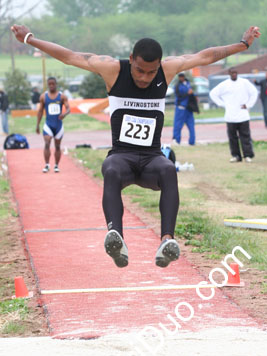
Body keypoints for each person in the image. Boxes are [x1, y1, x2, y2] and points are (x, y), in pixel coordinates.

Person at [11, 24, 260, 268]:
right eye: (139, 70)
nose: (144, 78)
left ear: (159, 66)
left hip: (152, 158)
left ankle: (167, 241)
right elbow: (70, 56)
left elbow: (205, 56)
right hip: (122, 157)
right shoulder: (111, 69)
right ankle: (116, 237)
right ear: (131, 59)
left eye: (151, 73)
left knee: (168, 169)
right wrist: (30, 39)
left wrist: (243, 45)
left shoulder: (168, 69)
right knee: (110, 168)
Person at [209, 68, 258, 163]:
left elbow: (254, 92)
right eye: (232, 73)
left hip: (243, 115)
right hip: (230, 116)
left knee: (245, 137)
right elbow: (213, 93)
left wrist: (248, 105)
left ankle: (248, 155)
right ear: (229, 74)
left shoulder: (244, 82)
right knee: (232, 138)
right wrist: (222, 104)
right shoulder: (224, 84)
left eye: (235, 72)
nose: (234, 74)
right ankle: (236, 156)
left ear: (237, 73)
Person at [37, 77, 70, 173]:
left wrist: (64, 114)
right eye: (49, 84)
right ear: (48, 85)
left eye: (53, 84)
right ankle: (47, 165)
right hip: (48, 125)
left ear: (56, 84)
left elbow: (68, 109)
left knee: (57, 146)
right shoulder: (43, 97)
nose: (51, 86)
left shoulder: (62, 96)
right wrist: (37, 125)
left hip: (58, 126)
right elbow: (40, 111)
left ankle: (56, 165)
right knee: (47, 143)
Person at [173, 73, 196, 145]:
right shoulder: (177, 86)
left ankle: (192, 142)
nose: (181, 78)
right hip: (181, 108)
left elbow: (191, 94)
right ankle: (177, 140)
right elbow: (179, 96)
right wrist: (188, 93)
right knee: (178, 125)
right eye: (180, 77)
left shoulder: (188, 83)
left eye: (182, 76)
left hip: (188, 108)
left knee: (191, 125)